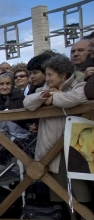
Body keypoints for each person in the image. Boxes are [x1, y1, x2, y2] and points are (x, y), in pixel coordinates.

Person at [23, 54, 91, 208]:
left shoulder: (79, 85)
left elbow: (77, 98)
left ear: (63, 75)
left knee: (79, 185)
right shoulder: (43, 89)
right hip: (52, 146)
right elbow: (28, 102)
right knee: (58, 186)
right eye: (46, 74)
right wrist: (48, 94)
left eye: (50, 75)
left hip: (75, 145)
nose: (46, 78)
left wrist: (53, 99)